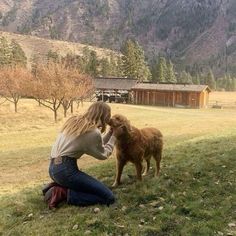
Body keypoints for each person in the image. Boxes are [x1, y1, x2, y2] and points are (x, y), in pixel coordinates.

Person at [43, 101, 120, 209]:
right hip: (66, 171)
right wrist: (114, 137)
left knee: (90, 188)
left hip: (53, 168)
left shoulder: (75, 122)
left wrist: (109, 134)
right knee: (109, 197)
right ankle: (62, 192)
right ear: (104, 116)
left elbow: (94, 144)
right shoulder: (93, 132)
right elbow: (103, 154)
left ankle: (55, 186)